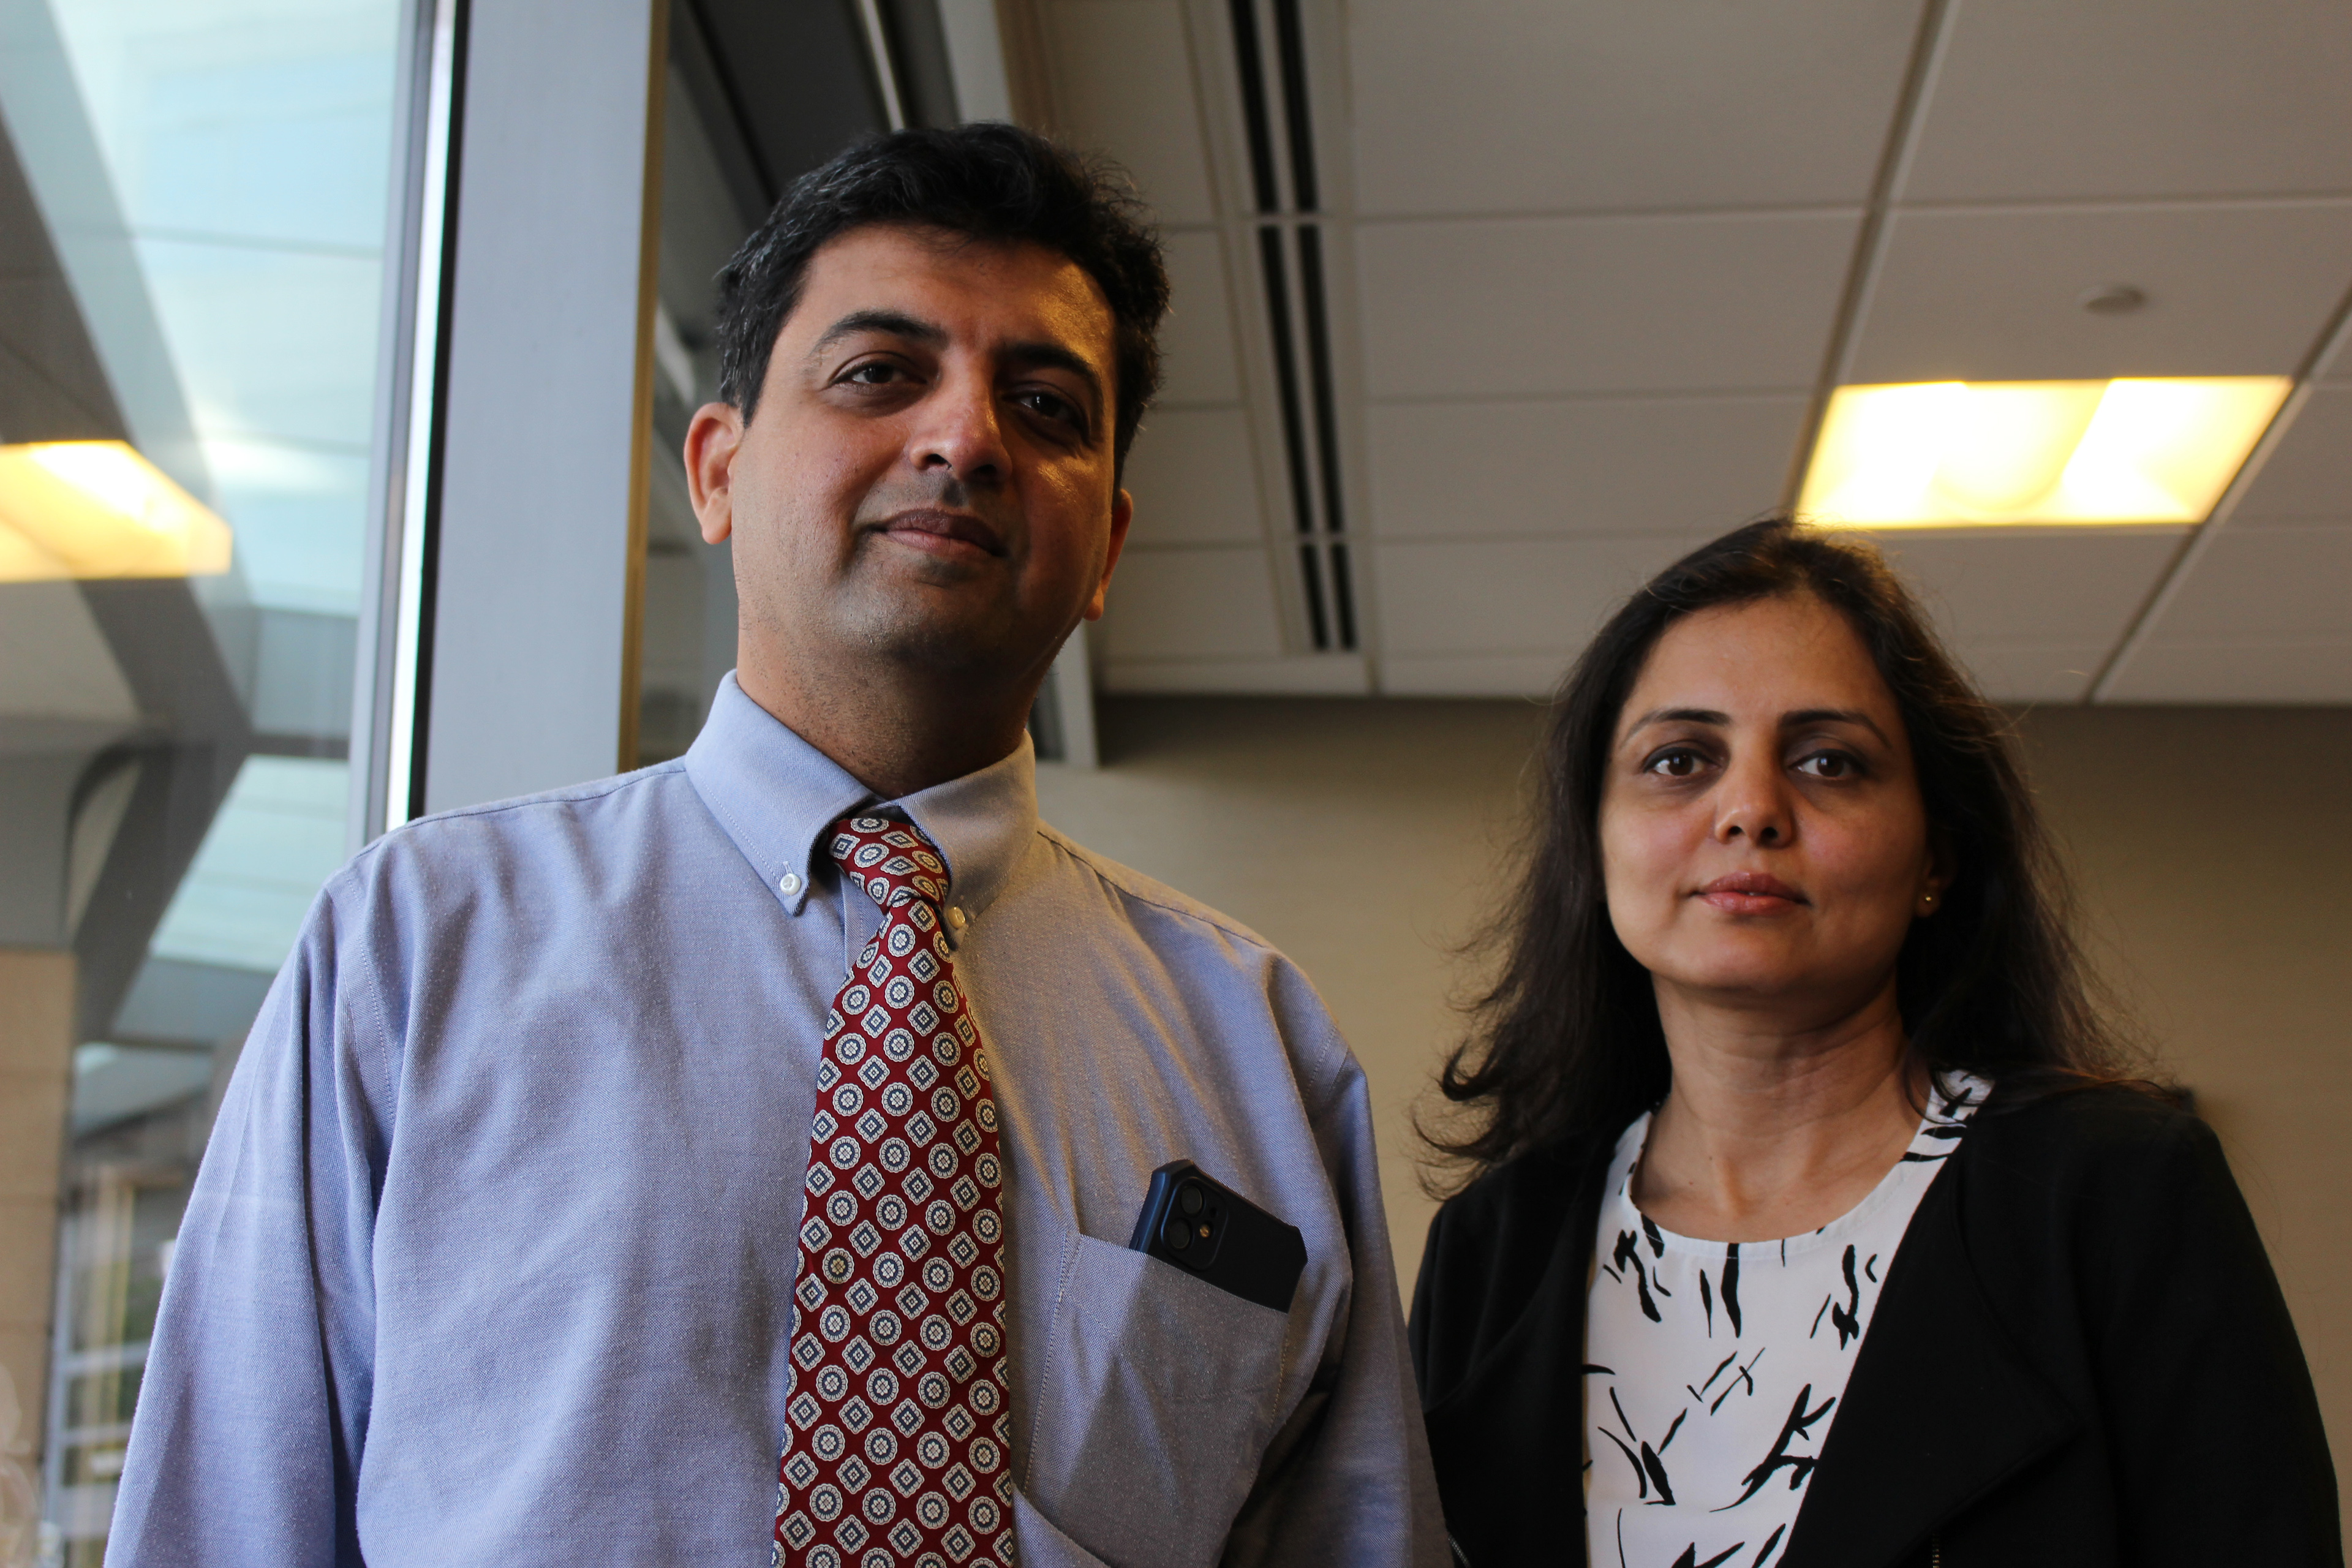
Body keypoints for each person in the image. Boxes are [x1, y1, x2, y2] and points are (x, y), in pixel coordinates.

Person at [109, 124, 1445, 1568]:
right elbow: (221, 1518)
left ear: (1109, 545)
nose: (967, 439)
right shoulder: (420, 942)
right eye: (881, 373)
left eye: (1048, 404)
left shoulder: (1258, 1043)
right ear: (718, 468)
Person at [1408, 518, 2339, 1567]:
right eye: (1679, 760)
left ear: (1936, 853)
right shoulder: (1498, 1245)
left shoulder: (2112, 1192)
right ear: (1595, 842)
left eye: (1828, 762)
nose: (1752, 809)